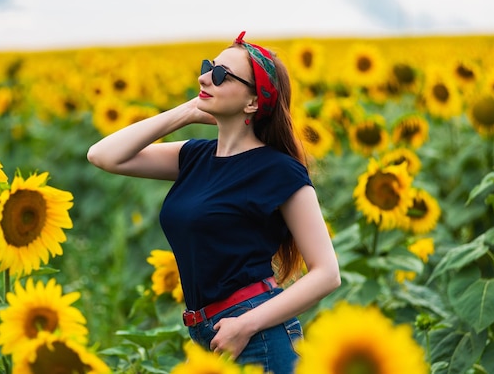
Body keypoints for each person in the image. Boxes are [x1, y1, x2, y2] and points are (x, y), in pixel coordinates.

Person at [87, 31, 340, 374]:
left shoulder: (279, 170)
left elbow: (327, 274)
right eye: (209, 67)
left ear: (253, 102)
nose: (204, 77)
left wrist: (246, 324)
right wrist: (188, 111)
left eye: (221, 75)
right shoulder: (194, 155)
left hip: (257, 333)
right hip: (209, 334)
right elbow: (103, 155)